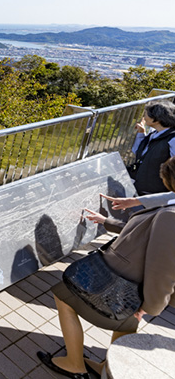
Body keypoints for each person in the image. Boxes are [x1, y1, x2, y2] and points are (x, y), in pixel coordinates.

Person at [37, 157, 175, 379]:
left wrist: (150, 307)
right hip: (134, 285)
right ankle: (108, 368)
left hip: (122, 278)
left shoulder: (171, 215)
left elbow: (164, 269)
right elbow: (143, 234)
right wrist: (105, 221)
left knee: (63, 296)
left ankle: (74, 364)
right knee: (127, 324)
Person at [129, 99, 175, 195]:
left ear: (157, 119)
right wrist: (141, 133)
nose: (144, 118)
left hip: (157, 195)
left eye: (146, 114)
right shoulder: (155, 134)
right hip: (142, 190)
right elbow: (138, 152)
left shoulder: (172, 139)